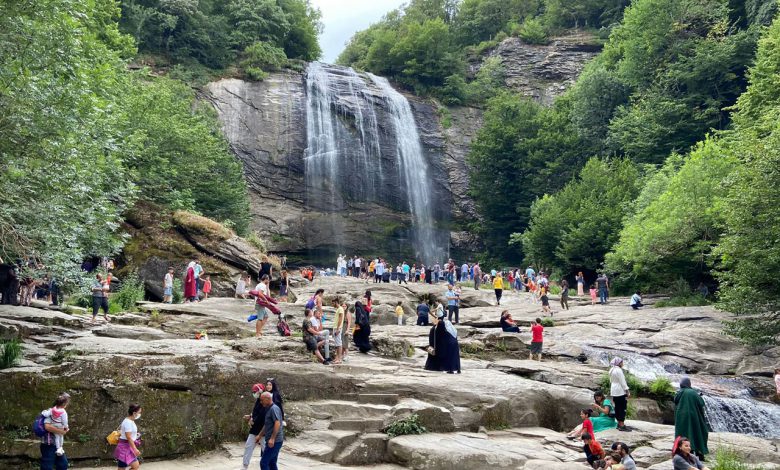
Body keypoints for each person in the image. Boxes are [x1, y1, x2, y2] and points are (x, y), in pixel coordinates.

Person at [674, 377, 709, 459]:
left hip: (681, 418)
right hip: (693, 417)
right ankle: (698, 452)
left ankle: (680, 452)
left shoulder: (678, 393)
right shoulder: (693, 392)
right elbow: (701, 403)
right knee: (697, 433)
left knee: (682, 434)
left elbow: (675, 400)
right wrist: (699, 396)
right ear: (689, 384)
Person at [424, 309, 461, 374]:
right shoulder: (449, 326)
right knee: (455, 356)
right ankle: (458, 369)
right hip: (454, 343)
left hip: (449, 344)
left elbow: (438, 335)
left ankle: (450, 370)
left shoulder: (440, 325)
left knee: (449, 357)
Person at [40, 393, 70, 470]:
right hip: (48, 444)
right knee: (47, 466)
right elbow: (47, 427)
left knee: (63, 464)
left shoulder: (59, 412)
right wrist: (61, 431)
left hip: (57, 446)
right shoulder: (51, 411)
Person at [242, 384, 266, 470]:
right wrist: (250, 416)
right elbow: (256, 413)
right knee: (248, 447)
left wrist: (252, 419)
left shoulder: (265, 402)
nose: (254, 393)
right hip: (254, 430)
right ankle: (245, 466)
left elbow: (262, 416)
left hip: (263, 431)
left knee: (266, 450)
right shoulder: (258, 401)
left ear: (260, 391)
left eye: (255, 392)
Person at [258, 391, 284, 470]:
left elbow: (277, 423)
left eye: (262, 400)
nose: (261, 402)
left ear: (267, 399)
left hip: (275, 441)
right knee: (272, 462)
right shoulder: (269, 409)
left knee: (264, 463)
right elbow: (267, 425)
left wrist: (272, 438)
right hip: (274, 441)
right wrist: (259, 435)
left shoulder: (273, 409)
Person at [115, 403, 143, 470]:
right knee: (136, 466)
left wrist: (135, 435)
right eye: (139, 412)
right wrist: (135, 449)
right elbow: (128, 437)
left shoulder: (130, 421)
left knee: (121, 468)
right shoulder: (128, 422)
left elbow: (129, 434)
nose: (140, 414)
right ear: (134, 413)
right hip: (125, 448)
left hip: (125, 447)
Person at [609, 357, 630, 431]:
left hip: (614, 391)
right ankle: (622, 425)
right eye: (622, 362)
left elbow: (611, 381)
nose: (622, 364)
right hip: (620, 391)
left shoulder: (611, 370)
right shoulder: (618, 370)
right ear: (619, 363)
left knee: (617, 407)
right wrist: (627, 390)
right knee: (622, 407)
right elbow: (622, 381)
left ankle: (618, 423)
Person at [332, 298, 346, 364]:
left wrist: (337, 329)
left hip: (338, 328)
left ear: (336, 302)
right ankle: (337, 358)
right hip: (336, 327)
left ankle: (339, 359)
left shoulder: (340, 309)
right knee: (337, 344)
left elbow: (340, 319)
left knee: (339, 343)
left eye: (333, 303)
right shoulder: (338, 309)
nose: (332, 304)